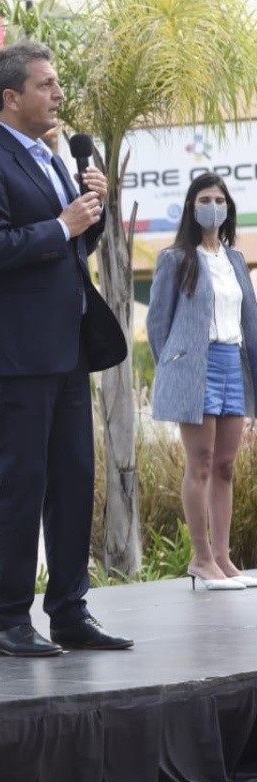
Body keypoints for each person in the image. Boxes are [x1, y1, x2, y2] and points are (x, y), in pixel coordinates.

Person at [0, 41, 131, 656]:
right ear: (11, 97)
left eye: (57, 84)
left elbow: (71, 250)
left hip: (67, 347)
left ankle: (69, 611)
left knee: (73, 482)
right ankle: (9, 619)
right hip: (17, 353)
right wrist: (62, 224)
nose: (57, 94)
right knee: (24, 484)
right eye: (45, 84)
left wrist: (92, 213)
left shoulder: (52, 159)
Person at [147, 173, 257, 591]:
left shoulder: (234, 260)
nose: (213, 207)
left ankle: (223, 557)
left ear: (229, 207)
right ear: (192, 208)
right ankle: (201, 557)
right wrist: (174, 368)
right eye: (205, 200)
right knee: (202, 462)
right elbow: (158, 324)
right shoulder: (176, 258)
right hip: (196, 366)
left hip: (233, 363)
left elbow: (249, 320)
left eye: (219, 200)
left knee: (226, 465)